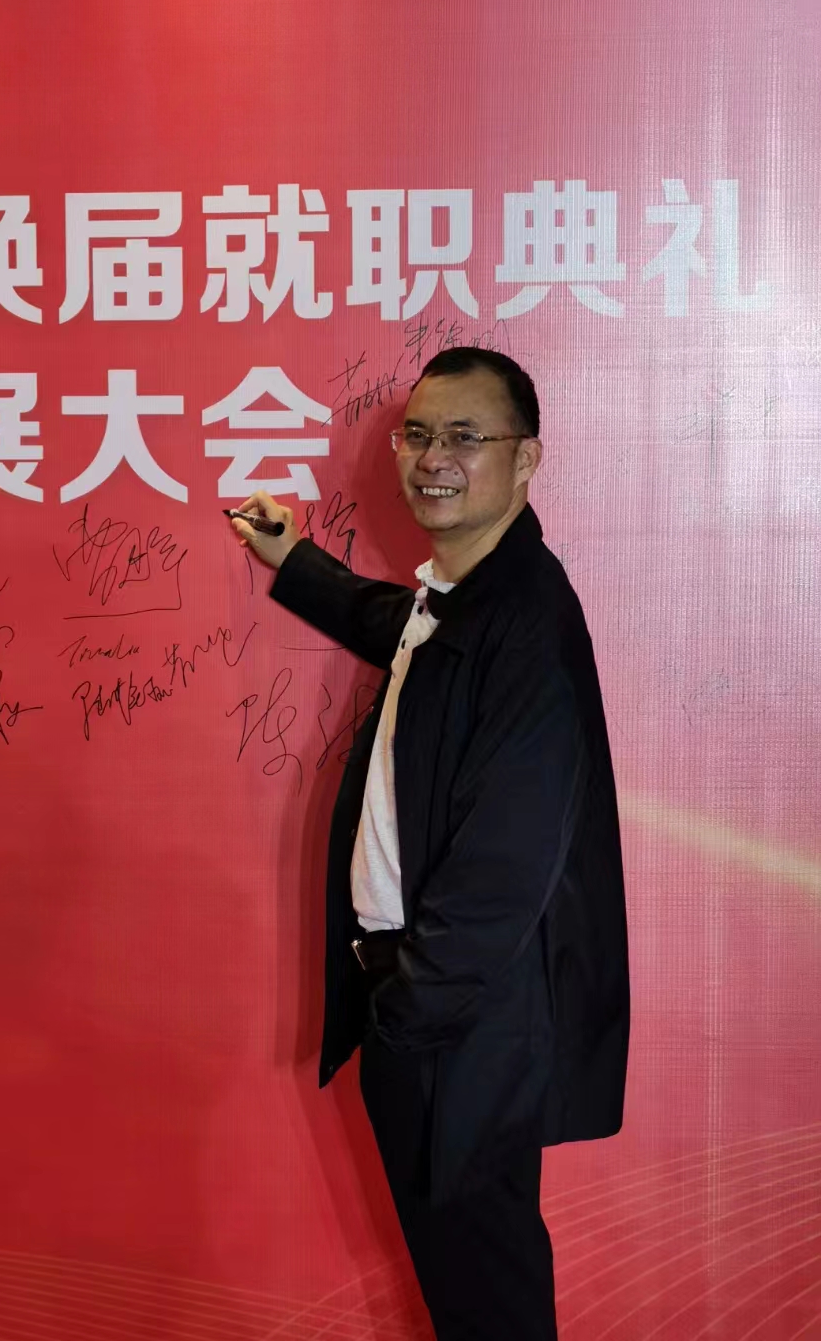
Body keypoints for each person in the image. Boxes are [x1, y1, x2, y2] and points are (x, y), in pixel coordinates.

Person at [228, 346, 629, 1341]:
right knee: (472, 1297)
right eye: (416, 435)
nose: (432, 458)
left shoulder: (527, 621)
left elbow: (504, 873)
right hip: (442, 1019)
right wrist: (296, 560)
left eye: (464, 437)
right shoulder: (465, 598)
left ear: (525, 458)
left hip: (460, 1029)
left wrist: (408, 1016)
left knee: (488, 1301)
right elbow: (402, 626)